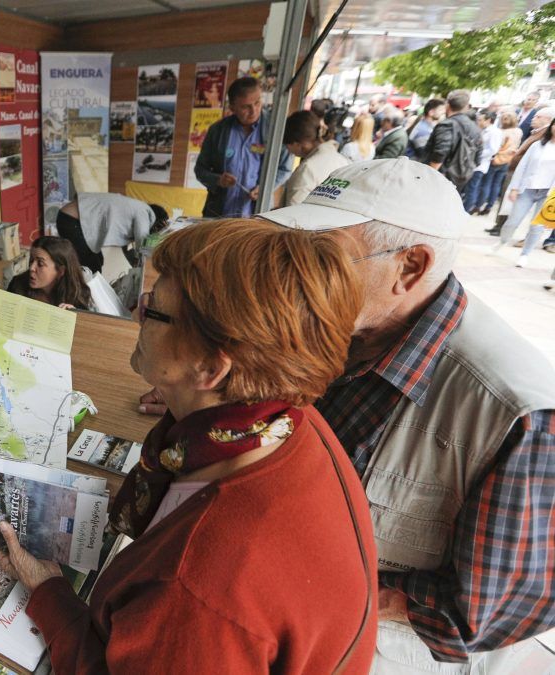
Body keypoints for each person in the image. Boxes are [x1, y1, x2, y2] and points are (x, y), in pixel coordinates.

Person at [140, 158, 555, 672]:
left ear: (410, 268)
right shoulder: (350, 321)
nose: (296, 271)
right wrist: (206, 400)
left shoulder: (520, 415)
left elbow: (483, 613)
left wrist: (311, 594)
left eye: (322, 256)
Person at [0, 219, 378, 674]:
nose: (137, 313)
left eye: (152, 309)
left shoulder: (194, 585)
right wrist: (184, 402)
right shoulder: (287, 417)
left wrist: (50, 594)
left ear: (210, 370)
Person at [194, 77, 293, 217]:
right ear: (232, 108)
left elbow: (285, 168)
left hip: (257, 214)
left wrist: (265, 187)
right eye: (246, 106)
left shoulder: (276, 129)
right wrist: (218, 180)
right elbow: (200, 169)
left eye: (258, 102)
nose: (254, 111)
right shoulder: (217, 131)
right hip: (219, 215)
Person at [493, 119, 555, 267]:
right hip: (527, 189)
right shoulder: (538, 145)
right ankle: (503, 241)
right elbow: (522, 166)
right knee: (513, 220)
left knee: (536, 226)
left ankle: (525, 254)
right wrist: (514, 187)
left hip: (547, 193)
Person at [54, 193, 166, 273]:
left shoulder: (137, 208)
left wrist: (135, 266)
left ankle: (85, 292)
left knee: (97, 260)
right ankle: (85, 298)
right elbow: (143, 245)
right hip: (71, 220)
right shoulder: (144, 212)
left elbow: (127, 249)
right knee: (91, 265)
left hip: (70, 219)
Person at [281, 110, 349, 206]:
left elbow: (293, 214)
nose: (287, 150)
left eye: (287, 145)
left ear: (297, 144)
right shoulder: (342, 160)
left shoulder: (307, 170)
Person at [6, 236, 92, 310]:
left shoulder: (78, 295)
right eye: (31, 260)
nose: (32, 268)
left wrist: (77, 317)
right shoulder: (17, 286)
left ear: (60, 271)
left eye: (40, 263)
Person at [423, 89, 482, 190]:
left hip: (438, 179)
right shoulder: (475, 128)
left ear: (447, 104)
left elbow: (440, 153)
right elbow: (478, 157)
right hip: (460, 180)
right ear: (466, 107)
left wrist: (428, 177)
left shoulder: (447, 125)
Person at [476, 111, 521, 218]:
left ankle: (479, 205)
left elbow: (496, 148)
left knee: (487, 183)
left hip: (496, 160)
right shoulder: (518, 131)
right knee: (496, 184)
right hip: (506, 161)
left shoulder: (501, 132)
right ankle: (489, 206)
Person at [462, 111, 505, 214]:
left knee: (472, 189)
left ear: (488, 120)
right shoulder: (483, 130)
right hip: (474, 163)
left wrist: (476, 154)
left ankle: (466, 210)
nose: (478, 121)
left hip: (480, 164)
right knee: (469, 188)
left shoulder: (495, 132)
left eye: (480, 120)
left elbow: (493, 150)